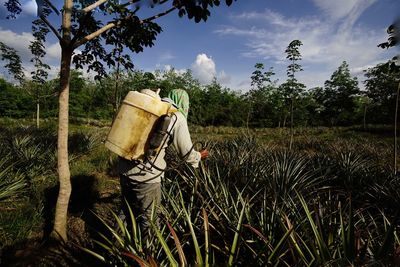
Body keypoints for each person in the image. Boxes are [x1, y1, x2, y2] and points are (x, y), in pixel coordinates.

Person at [117, 89, 208, 241]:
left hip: (124, 170)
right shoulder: (176, 116)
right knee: (150, 219)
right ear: (183, 103)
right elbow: (187, 154)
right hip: (147, 177)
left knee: (125, 211)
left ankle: (115, 246)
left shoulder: (150, 107)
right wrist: (200, 156)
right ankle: (148, 258)